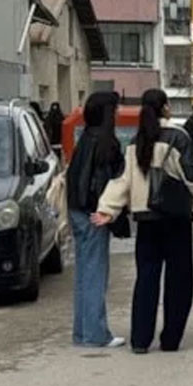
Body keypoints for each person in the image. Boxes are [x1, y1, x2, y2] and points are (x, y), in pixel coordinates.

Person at [94, 88, 193, 354]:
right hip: (175, 219)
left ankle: (141, 339)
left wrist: (106, 209)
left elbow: (122, 179)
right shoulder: (179, 138)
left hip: (146, 220)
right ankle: (170, 340)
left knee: (146, 279)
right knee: (179, 280)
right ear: (166, 107)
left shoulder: (135, 142)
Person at [66, 92, 127, 348]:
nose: (117, 114)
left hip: (77, 210)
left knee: (84, 274)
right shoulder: (106, 143)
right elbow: (107, 181)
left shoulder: (84, 139)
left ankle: (82, 331)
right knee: (95, 274)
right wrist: (107, 212)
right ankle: (95, 333)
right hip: (95, 212)